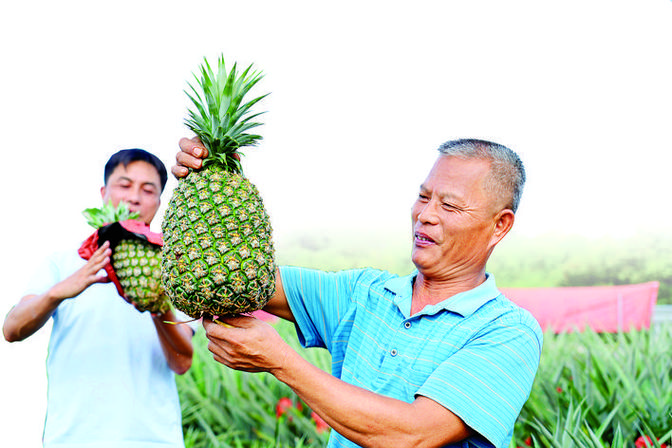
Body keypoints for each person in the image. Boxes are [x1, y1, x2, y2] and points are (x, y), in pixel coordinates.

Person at [173, 137, 543, 448]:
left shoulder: (508, 330)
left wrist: (279, 361)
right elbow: (229, 273)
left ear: (500, 225)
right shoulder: (365, 293)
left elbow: (413, 434)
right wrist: (210, 184)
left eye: (449, 205)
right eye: (423, 196)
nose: (425, 215)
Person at [3, 148, 195, 448]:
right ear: (104, 192)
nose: (134, 197)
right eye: (124, 184)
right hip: (72, 440)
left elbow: (182, 362)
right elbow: (12, 329)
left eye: (148, 190)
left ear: (159, 203)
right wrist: (59, 291)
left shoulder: (173, 268)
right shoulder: (63, 263)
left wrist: (156, 308)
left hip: (154, 440)